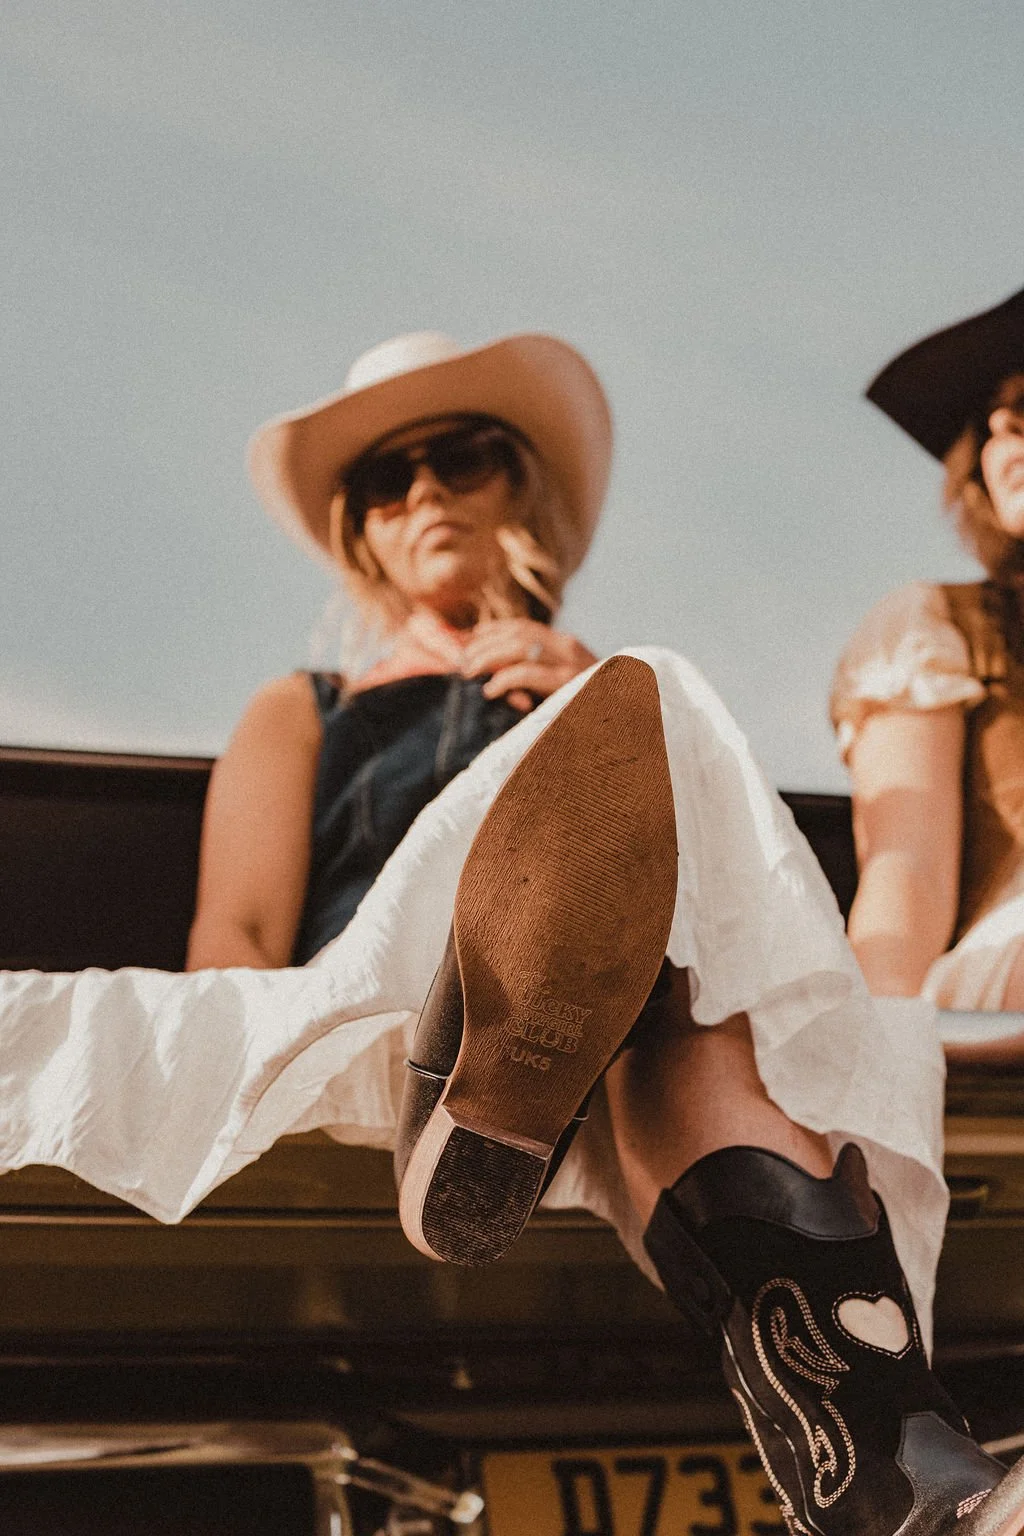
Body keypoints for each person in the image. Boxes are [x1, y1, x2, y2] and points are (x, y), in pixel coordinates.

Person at [2, 329, 1022, 1534]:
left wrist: (585, 693)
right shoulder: (306, 708)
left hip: (629, 1020)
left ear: (521, 488)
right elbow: (238, 927)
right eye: (388, 481)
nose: (425, 491)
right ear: (362, 533)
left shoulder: (605, 692)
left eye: (463, 458)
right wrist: (270, 1065)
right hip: (385, 974)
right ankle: (887, 1454)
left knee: (675, 972)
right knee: (655, 838)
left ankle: (888, 1481)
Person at [833, 287, 1024, 1062]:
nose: (1012, 440)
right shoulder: (940, 627)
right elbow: (904, 877)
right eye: (1000, 425)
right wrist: (880, 1075)